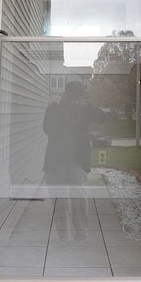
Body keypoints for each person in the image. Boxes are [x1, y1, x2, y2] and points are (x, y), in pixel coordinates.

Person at [42, 81, 105, 239]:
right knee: (59, 201)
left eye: (78, 95)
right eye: (72, 94)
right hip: (55, 163)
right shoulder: (56, 106)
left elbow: (103, 118)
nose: (75, 99)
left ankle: (81, 233)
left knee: (79, 199)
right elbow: (47, 128)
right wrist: (53, 107)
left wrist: (87, 106)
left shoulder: (84, 109)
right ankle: (62, 235)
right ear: (66, 94)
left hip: (76, 162)